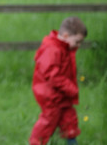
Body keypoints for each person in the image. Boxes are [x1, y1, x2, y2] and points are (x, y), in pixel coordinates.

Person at [29, 16, 88, 145]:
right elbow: (52, 75)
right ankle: (36, 143)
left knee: (70, 121)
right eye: (77, 41)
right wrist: (70, 88)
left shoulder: (64, 48)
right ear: (66, 36)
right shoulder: (52, 49)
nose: (78, 45)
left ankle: (72, 141)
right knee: (48, 122)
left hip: (62, 94)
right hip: (50, 96)